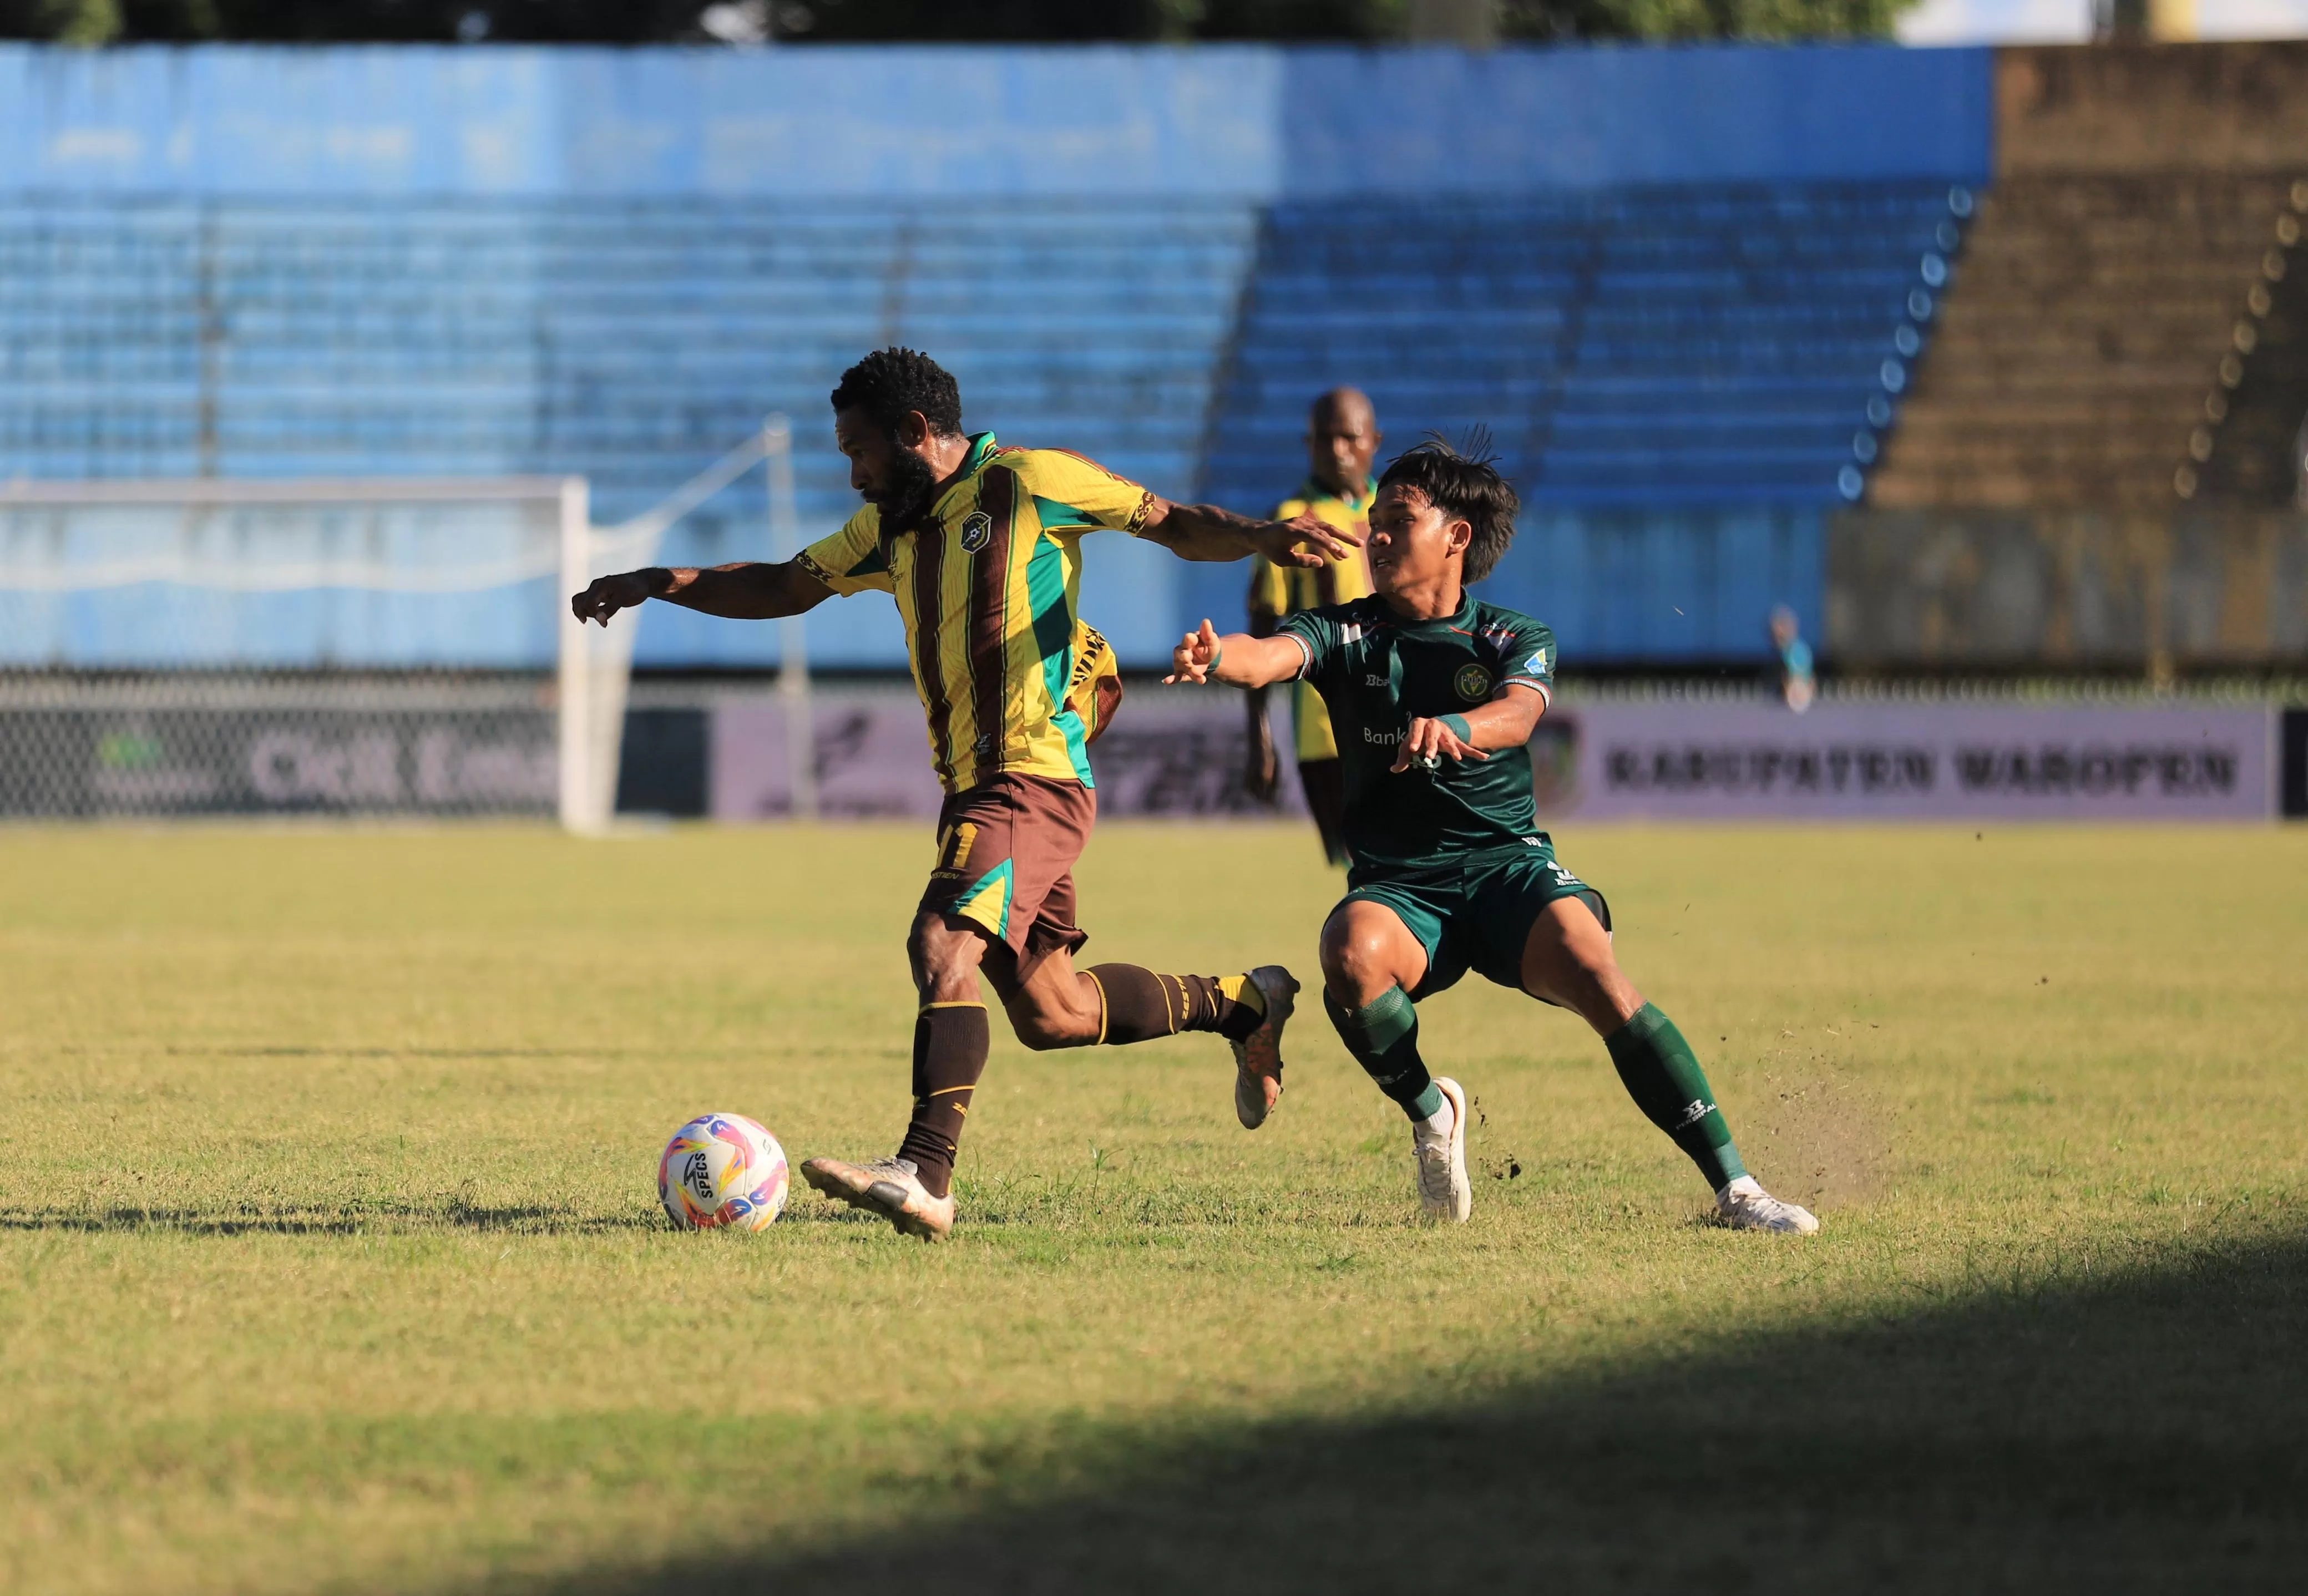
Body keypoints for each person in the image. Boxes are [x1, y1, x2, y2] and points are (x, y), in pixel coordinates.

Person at [571, 347, 1356, 1242]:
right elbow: (785, 586)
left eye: (859, 451)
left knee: (942, 940)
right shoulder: (891, 530)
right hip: (974, 792)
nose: (855, 474)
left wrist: (1255, 537)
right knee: (1053, 1013)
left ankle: (924, 1173)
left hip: (1031, 780)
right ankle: (1244, 1002)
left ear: (915, 434)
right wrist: (656, 584)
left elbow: (1170, 522)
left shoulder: (1028, 483)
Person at [1163, 440, 1820, 1234]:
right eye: (1373, 522)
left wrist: (1454, 726)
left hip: (1509, 869)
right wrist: (1217, 657)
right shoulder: (1343, 632)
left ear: (1457, 536)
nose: (1375, 537)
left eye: (1397, 521)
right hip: (1403, 885)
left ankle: (1738, 1190)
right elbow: (1270, 655)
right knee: (1349, 952)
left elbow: (1521, 713)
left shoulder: (1513, 635)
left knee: (1594, 965)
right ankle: (1432, 1112)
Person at [1244, 388, 1381, 866]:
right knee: (1354, 867)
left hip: (1405, 716)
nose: (1338, 450)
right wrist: (1259, 737)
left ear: (1375, 442)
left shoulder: (1402, 514)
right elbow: (1263, 628)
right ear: (1309, 444)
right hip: (1326, 726)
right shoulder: (1289, 522)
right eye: (1326, 439)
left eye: (1350, 437)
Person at [1770, 605, 1816, 714]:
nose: (1773, 634)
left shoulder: (1797, 651)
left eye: (1777, 628)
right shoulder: (1784, 652)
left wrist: (1796, 696)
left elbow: (1798, 682)